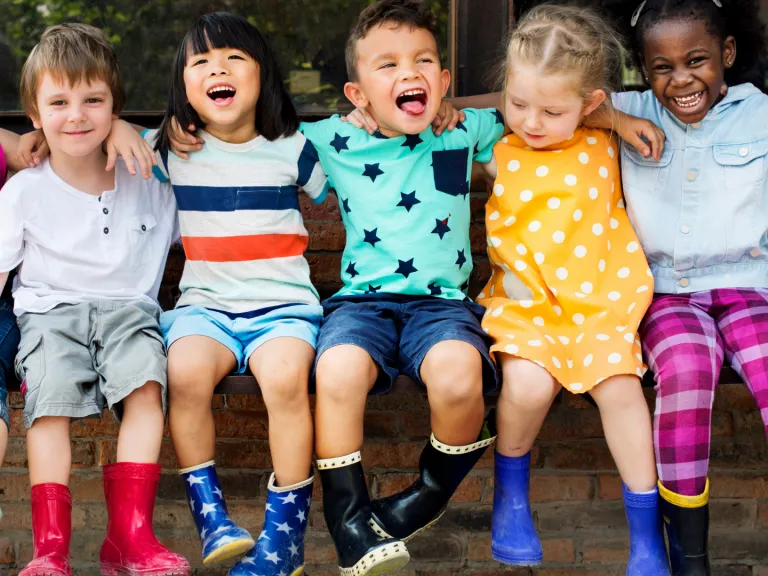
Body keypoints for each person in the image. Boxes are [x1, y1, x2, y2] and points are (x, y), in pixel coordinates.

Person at [167, 1, 503, 573]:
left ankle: (418, 501)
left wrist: (459, 105)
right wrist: (166, 126)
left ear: (443, 79)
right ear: (356, 94)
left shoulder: (466, 128)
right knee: (336, 372)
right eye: (388, 66)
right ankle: (348, 524)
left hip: (441, 307)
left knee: (459, 379)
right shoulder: (326, 140)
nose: (408, 75)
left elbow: (543, 103)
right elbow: (248, 135)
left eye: (423, 62)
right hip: (360, 304)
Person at [445, 5, 668, 573]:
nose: (532, 121)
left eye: (551, 110)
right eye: (518, 104)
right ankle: (511, 499)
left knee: (622, 390)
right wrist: (455, 108)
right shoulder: (500, 148)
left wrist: (614, 122)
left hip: (600, 305)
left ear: (590, 104)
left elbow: (623, 113)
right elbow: (456, 113)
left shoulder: (603, 140)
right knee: (526, 385)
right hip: (526, 308)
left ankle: (646, 537)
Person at [107, 12, 329, 575]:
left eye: (234, 58)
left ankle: (284, 540)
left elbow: (354, 168)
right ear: (184, 87)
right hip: (205, 308)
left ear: (263, 77)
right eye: (200, 62)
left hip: (284, 309)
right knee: (182, 374)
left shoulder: (295, 149)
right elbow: (103, 143)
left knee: (285, 381)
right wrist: (117, 126)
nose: (217, 69)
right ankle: (212, 518)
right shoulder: (169, 150)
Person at [0, 23, 188, 576]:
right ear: (34, 114)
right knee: (49, 405)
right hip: (48, 313)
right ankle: (50, 549)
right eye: (58, 102)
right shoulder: (24, 190)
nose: (76, 115)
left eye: (94, 101)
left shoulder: (152, 172)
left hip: (130, 309)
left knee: (147, 390)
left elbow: (205, 131)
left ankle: (130, 539)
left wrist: (131, 130)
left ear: (115, 107)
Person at [604, 1, 768, 573]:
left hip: (750, 288)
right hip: (667, 293)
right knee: (687, 369)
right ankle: (689, 554)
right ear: (644, 70)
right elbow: (543, 103)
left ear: (726, 54)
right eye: (661, 67)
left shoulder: (761, 115)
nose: (680, 80)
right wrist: (617, 122)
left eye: (696, 60)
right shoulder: (627, 109)